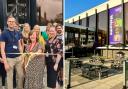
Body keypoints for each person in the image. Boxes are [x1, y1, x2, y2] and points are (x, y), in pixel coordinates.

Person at [0, 16, 24, 89]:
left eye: (13, 21)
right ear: (7, 22)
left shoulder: (18, 33)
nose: (11, 23)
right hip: (9, 59)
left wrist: (22, 56)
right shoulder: (4, 33)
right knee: (10, 78)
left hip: (18, 58)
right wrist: (5, 63)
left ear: (15, 23)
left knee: (21, 75)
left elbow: (19, 45)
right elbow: (2, 49)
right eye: (10, 21)